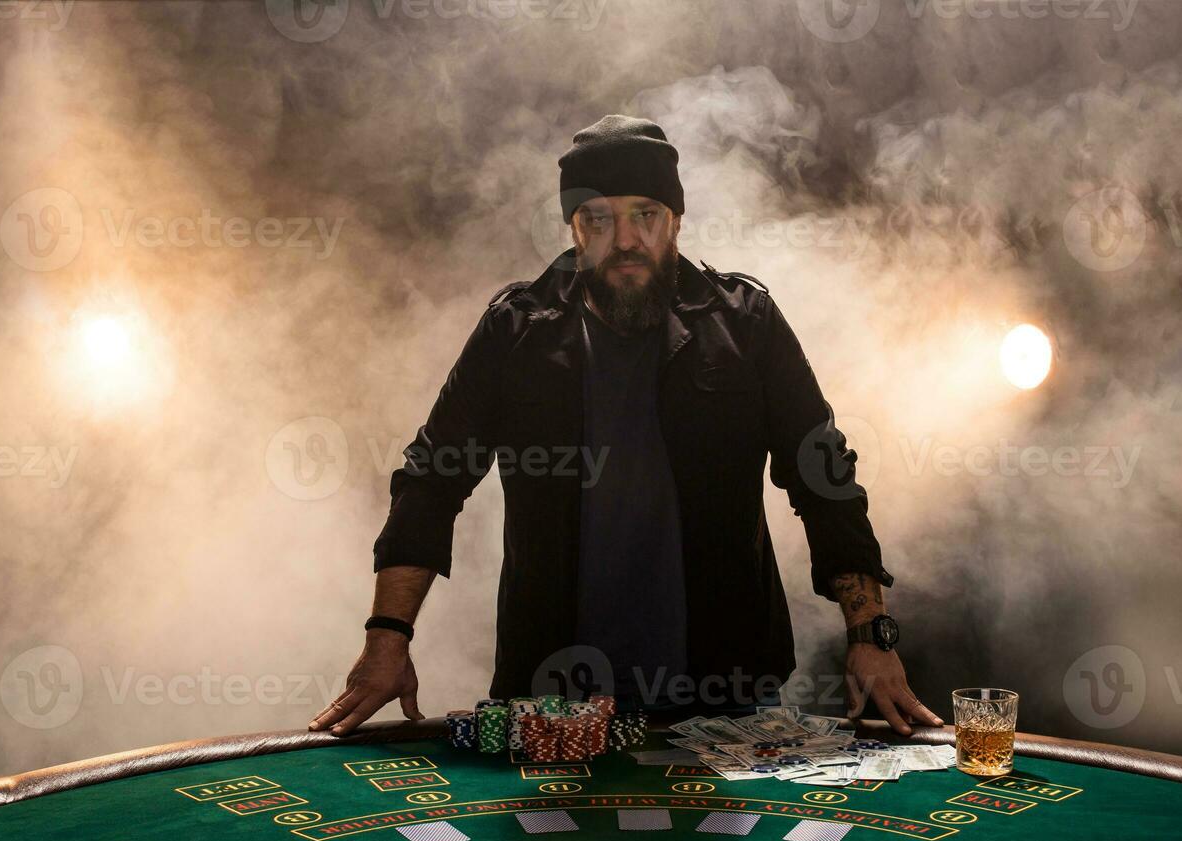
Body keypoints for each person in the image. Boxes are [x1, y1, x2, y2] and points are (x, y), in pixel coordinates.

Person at [310, 114, 942, 737]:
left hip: (726, 696)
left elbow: (822, 473)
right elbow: (431, 479)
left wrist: (872, 636)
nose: (626, 239)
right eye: (599, 219)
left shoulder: (744, 322)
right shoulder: (516, 330)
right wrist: (386, 641)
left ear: (675, 220)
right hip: (553, 697)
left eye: (645, 214)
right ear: (574, 229)